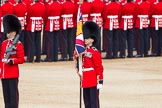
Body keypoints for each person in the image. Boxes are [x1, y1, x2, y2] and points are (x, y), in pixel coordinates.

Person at [76, 21, 104, 108]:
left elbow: (99, 67)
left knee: (93, 103)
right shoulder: (82, 51)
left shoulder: (94, 52)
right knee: (87, 102)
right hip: (85, 79)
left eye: (87, 38)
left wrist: (100, 80)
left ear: (92, 39)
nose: (85, 40)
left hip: (92, 79)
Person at [0, 14, 25, 108]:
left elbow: (21, 59)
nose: (7, 33)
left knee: (13, 97)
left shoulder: (18, 44)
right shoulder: (4, 43)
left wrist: (11, 61)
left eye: (9, 32)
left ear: (14, 32)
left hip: (12, 74)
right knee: (6, 97)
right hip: (4, 74)